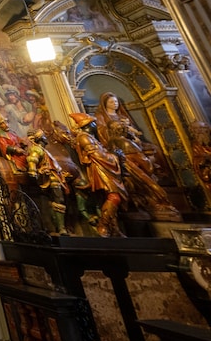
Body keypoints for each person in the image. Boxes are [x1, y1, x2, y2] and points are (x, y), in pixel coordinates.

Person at [94, 92, 181, 221]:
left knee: (155, 149)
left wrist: (132, 133)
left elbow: (134, 131)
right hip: (118, 146)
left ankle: (164, 175)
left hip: (130, 141)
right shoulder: (101, 116)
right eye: (111, 102)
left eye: (116, 101)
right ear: (105, 104)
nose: (115, 104)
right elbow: (101, 131)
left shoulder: (122, 116)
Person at [70, 113, 127, 237]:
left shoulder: (91, 137)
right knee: (114, 197)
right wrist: (113, 156)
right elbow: (97, 155)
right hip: (100, 169)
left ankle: (114, 229)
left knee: (108, 199)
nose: (96, 125)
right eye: (93, 123)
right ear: (88, 125)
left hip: (105, 169)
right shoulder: (84, 137)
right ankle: (103, 225)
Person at [26, 129, 70, 234]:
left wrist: (61, 174)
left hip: (55, 177)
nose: (46, 138)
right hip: (50, 178)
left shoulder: (44, 151)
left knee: (58, 201)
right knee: (58, 200)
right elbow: (32, 159)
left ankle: (59, 227)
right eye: (44, 136)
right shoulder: (37, 149)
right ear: (41, 138)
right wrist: (33, 171)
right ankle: (60, 228)